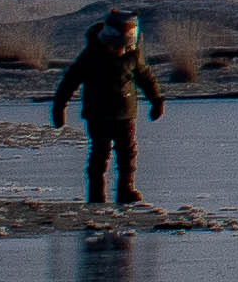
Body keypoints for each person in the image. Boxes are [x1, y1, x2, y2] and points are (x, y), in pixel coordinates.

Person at [48, 12, 166, 205]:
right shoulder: (91, 55)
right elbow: (70, 80)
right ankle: (96, 195)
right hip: (98, 114)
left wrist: (156, 100)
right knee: (99, 154)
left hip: (124, 114)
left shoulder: (132, 55)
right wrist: (59, 106)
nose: (119, 49)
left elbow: (145, 77)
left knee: (126, 154)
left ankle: (125, 190)